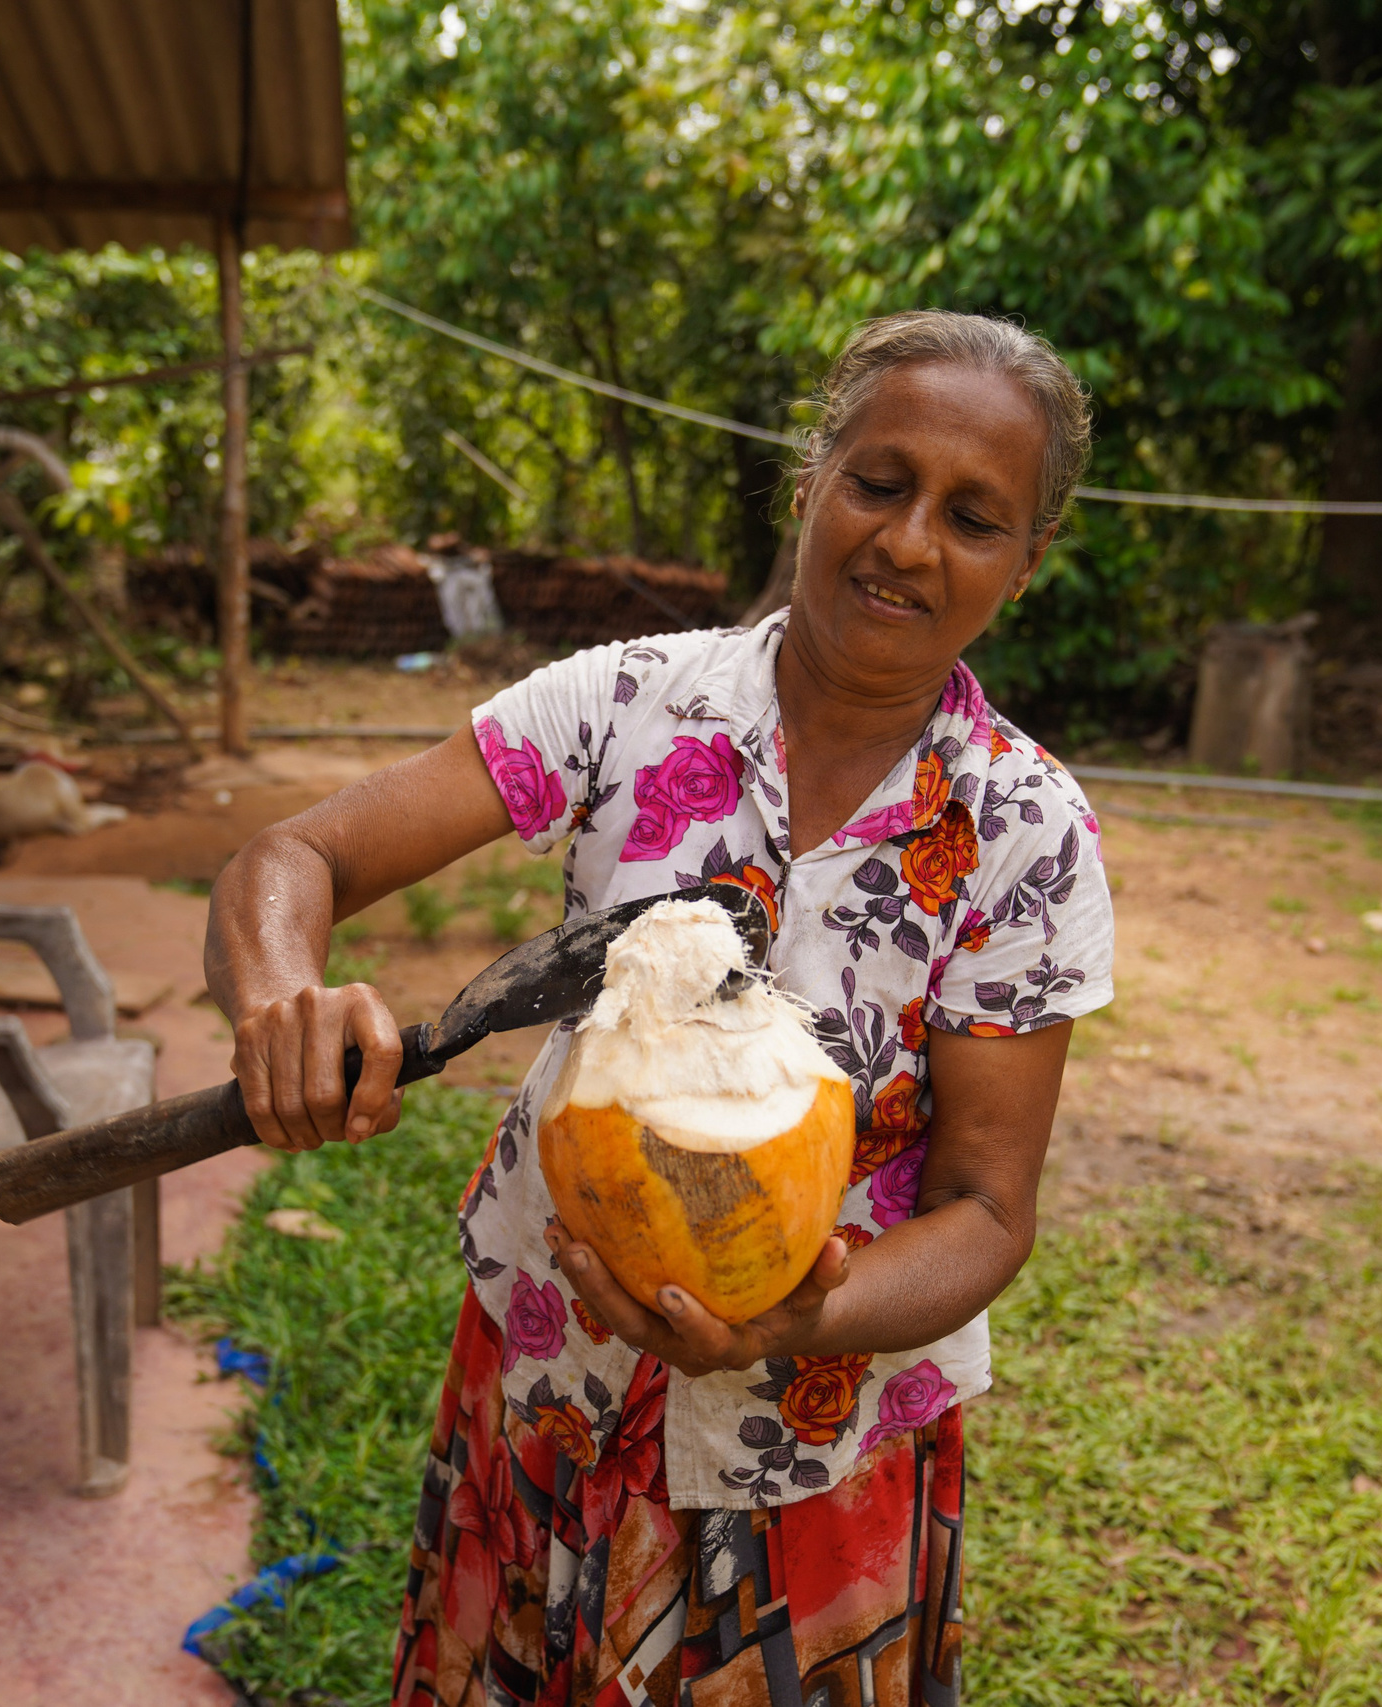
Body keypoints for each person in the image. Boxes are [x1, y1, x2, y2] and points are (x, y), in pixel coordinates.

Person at [207, 310, 1115, 1707]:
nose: (909, 542)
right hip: (550, 1386)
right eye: (879, 483)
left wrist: (798, 1320)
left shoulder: (1025, 833)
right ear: (810, 481)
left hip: (822, 1436)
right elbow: (297, 858)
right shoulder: (630, 704)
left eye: (975, 517)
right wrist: (280, 994)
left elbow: (988, 1210)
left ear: (1028, 564)